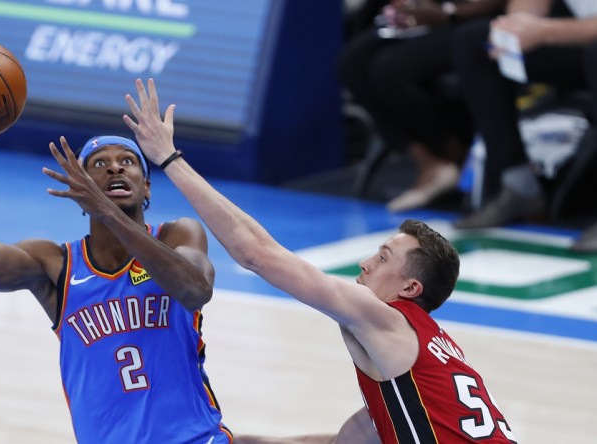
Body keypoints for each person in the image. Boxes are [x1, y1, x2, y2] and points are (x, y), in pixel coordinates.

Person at [122, 78, 516, 443]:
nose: (364, 263)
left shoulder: (387, 319)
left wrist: (170, 159)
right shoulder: (419, 377)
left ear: (410, 289)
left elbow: (257, 254)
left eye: (382, 258)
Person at [0, 58, 233, 444]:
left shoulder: (177, 235)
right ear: (79, 193)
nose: (115, 169)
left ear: (147, 187)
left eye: (128, 162)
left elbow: (195, 290)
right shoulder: (55, 265)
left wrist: (109, 213)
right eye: (99, 165)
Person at [340, 0, 506, 211]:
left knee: (388, 70)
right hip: (437, 16)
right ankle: (429, 163)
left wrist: (447, 13)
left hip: (481, 20)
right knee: (353, 62)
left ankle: (456, 156)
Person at [451, 0, 597, 232]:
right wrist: (516, 26)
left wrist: (545, 32)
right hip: (578, 41)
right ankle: (518, 184)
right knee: (475, 42)